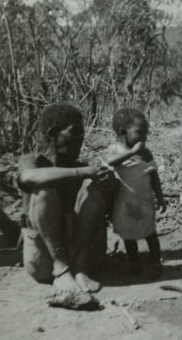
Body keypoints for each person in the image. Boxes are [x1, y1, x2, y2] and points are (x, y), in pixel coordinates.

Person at [17, 103, 114, 303]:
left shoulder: (81, 168)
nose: (81, 139)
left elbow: (105, 210)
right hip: (44, 263)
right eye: (74, 133)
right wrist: (80, 173)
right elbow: (27, 178)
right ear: (52, 134)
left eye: (82, 133)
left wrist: (109, 185)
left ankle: (79, 269)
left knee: (93, 188)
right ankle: (61, 270)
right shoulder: (32, 161)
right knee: (43, 191)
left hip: (85, 258)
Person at [104, 108, 167, 275]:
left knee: (150, 234)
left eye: (146, 132)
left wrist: (160, 198)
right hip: (124, 205)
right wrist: (131, 153)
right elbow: (111, 161)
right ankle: (134, 263)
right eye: (140, 132)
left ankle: (155, 262)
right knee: (128, 236)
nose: (145, 136)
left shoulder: (146, 154)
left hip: (144, 202)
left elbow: (154, 177)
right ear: (123, 132)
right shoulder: (116, 150)